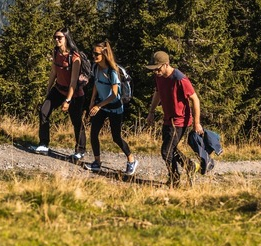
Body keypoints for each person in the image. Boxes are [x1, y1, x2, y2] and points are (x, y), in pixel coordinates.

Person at [143, 50, 202, 185]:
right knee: (171, 149)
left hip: (180, 120)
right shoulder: (159, 77)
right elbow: (157, 93)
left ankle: (174, 179)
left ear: (166, 64)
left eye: (157, 69)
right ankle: (190, 166)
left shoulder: (180, 78)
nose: (155, 72)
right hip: (168, 119)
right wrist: (151, 111)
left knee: (166, 151)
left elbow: (195, 99)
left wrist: (197, 123)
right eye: (153, 69)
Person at [86, 41, 138, 175]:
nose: (94, 56)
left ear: (104, 55)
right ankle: (97, 162)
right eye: (93, 53)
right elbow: (96, 85)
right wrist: (92, 101)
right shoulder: (96, 68)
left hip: (114, 107)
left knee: (116, 137)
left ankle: (131, 160)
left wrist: (98, 105)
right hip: (102, 106)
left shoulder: (112, 71)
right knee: (93, 134)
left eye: (96, 54)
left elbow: (114, 94)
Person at [35, 29, 87, 159]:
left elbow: (73, 81)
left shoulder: (75, 57)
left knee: (76, 122)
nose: (56, 40)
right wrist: (48, 89)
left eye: (59, 37)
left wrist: (68, 100)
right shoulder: (56, 52)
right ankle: (43, 143)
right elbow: (54, 72)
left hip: (74, 94)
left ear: (66, 38)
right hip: (58, 89)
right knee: (43, 111)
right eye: (55, 37)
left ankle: (80, 150)